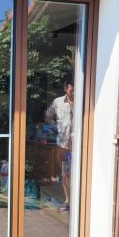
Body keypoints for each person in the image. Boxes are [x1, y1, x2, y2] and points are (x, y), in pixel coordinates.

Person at [45, 81, 74, 212]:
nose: (73, 93)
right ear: (66, 89)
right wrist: (55, 126)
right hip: (62, 144)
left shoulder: (82, 101)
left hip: (78, 145)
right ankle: (68, 201)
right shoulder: (57, 102)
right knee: (64, 173)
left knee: (75, 173)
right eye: (71, 91)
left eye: (74, 91)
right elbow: (48, 115)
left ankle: (75, 200)